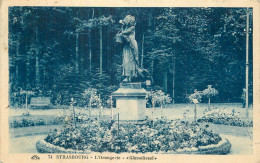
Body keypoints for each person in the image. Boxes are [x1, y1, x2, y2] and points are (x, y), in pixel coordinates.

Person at [116, 15, 143, 82]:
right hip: (126, 46)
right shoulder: (126, 27)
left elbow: (125, 32)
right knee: (126, 61)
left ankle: (131, 76)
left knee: (131, 60)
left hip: (131, 45)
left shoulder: (132, 27)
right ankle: (127, 76)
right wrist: (122, 26)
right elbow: (122, 32)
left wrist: (122, 31)